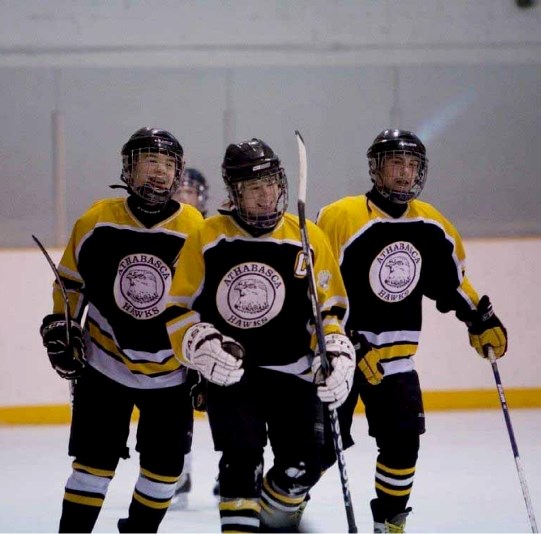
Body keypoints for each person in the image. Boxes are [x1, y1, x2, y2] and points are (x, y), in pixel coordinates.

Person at [316, 129, 508, 533]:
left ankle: (390, 522)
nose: (404, 173)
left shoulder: (431, 223)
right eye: (395, 163)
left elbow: (452, 282)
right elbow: (316, 285)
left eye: (412, 165)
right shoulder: (341, 216)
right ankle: (283, 511)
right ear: (376, 168)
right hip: (338, 357)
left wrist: (480, 318)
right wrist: (343, 340)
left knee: (404, 445)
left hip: (396, 360)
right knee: (316, 452)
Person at [164, 138, 355, 532]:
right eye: (254, 188)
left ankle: (268, 522)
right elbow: (178, 308)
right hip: (235, 375)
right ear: (235, 193)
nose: (267, 197)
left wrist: (333, 348)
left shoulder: (306, 236)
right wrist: (201, 345)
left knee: (303, 468)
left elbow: (329, 309)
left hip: (294, 374)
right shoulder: (208, 236)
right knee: (240, 465)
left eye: (271, 184)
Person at [39, 127, 204, 533]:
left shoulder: (195, 228)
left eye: (168, 165)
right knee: (93, 467)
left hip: (171, 372)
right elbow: (70, 284)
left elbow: (203, 300)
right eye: (150, 162)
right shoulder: (96, 220)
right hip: (104, 363)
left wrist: (203, 363)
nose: (159, 173)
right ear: (129, 169)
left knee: (165, 472)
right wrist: (62, 325)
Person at [170, 166, 211, 509]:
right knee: (178, 405)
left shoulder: (212, 231)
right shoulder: (166, 228)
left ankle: (235, 470)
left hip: (213, 334)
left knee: (230, 407)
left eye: (192, 192)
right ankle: (179, 470)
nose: (186, 198)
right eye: (180, 191)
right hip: (177, 334)